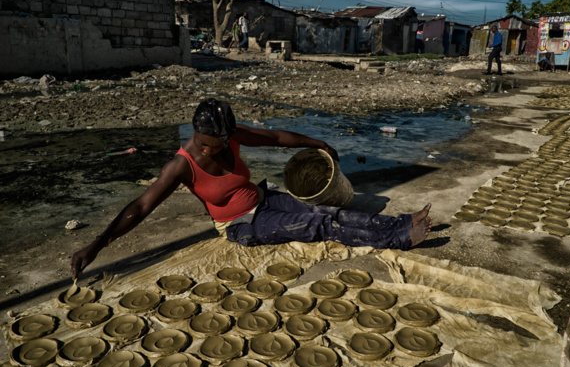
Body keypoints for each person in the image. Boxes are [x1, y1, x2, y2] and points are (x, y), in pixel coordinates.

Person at [70, 99, 432, 279]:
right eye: (205, 142)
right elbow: (140, 207)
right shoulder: (181, 165)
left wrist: (317, 142)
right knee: (318, 227)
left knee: (327, 211)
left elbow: (275, 136)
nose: (212, 149)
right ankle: (398, 238)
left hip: (263, 197)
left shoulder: (230, 138)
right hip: (239, 225)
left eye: (219, 142)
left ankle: (399, 223)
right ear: (196, 134)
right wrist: (97, 244)